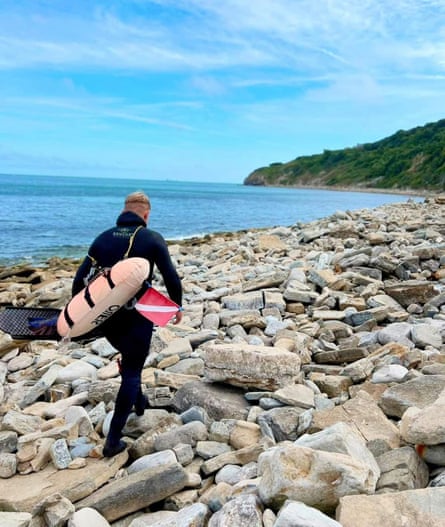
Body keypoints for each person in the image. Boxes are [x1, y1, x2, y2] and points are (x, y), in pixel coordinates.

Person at [72, 191, 183, 457]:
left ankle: (140, 400)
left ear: (124, 211)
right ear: (146, 214)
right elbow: (170, 276)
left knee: (130, 358)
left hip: (106, 317)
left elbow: (79, 280)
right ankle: (112, 441)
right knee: (132, 369)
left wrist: (78, 313)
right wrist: (176, 306)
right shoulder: (152, 238)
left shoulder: (102, 238)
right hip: (137, 314)